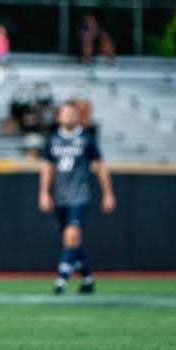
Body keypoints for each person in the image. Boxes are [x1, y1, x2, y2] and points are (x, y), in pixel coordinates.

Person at [39, 99, 115, 295]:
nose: (69, 116)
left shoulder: (86, 138)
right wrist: (44, 193)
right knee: (73, 242)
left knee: (71, 236)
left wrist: (108, 193)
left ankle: (60, 280)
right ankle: (88, 280)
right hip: (61, 197)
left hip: (79, 196)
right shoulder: (53, 139)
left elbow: (100, 166)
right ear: (59, 116)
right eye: (65, 113)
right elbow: (47, 168)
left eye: (72, 113)